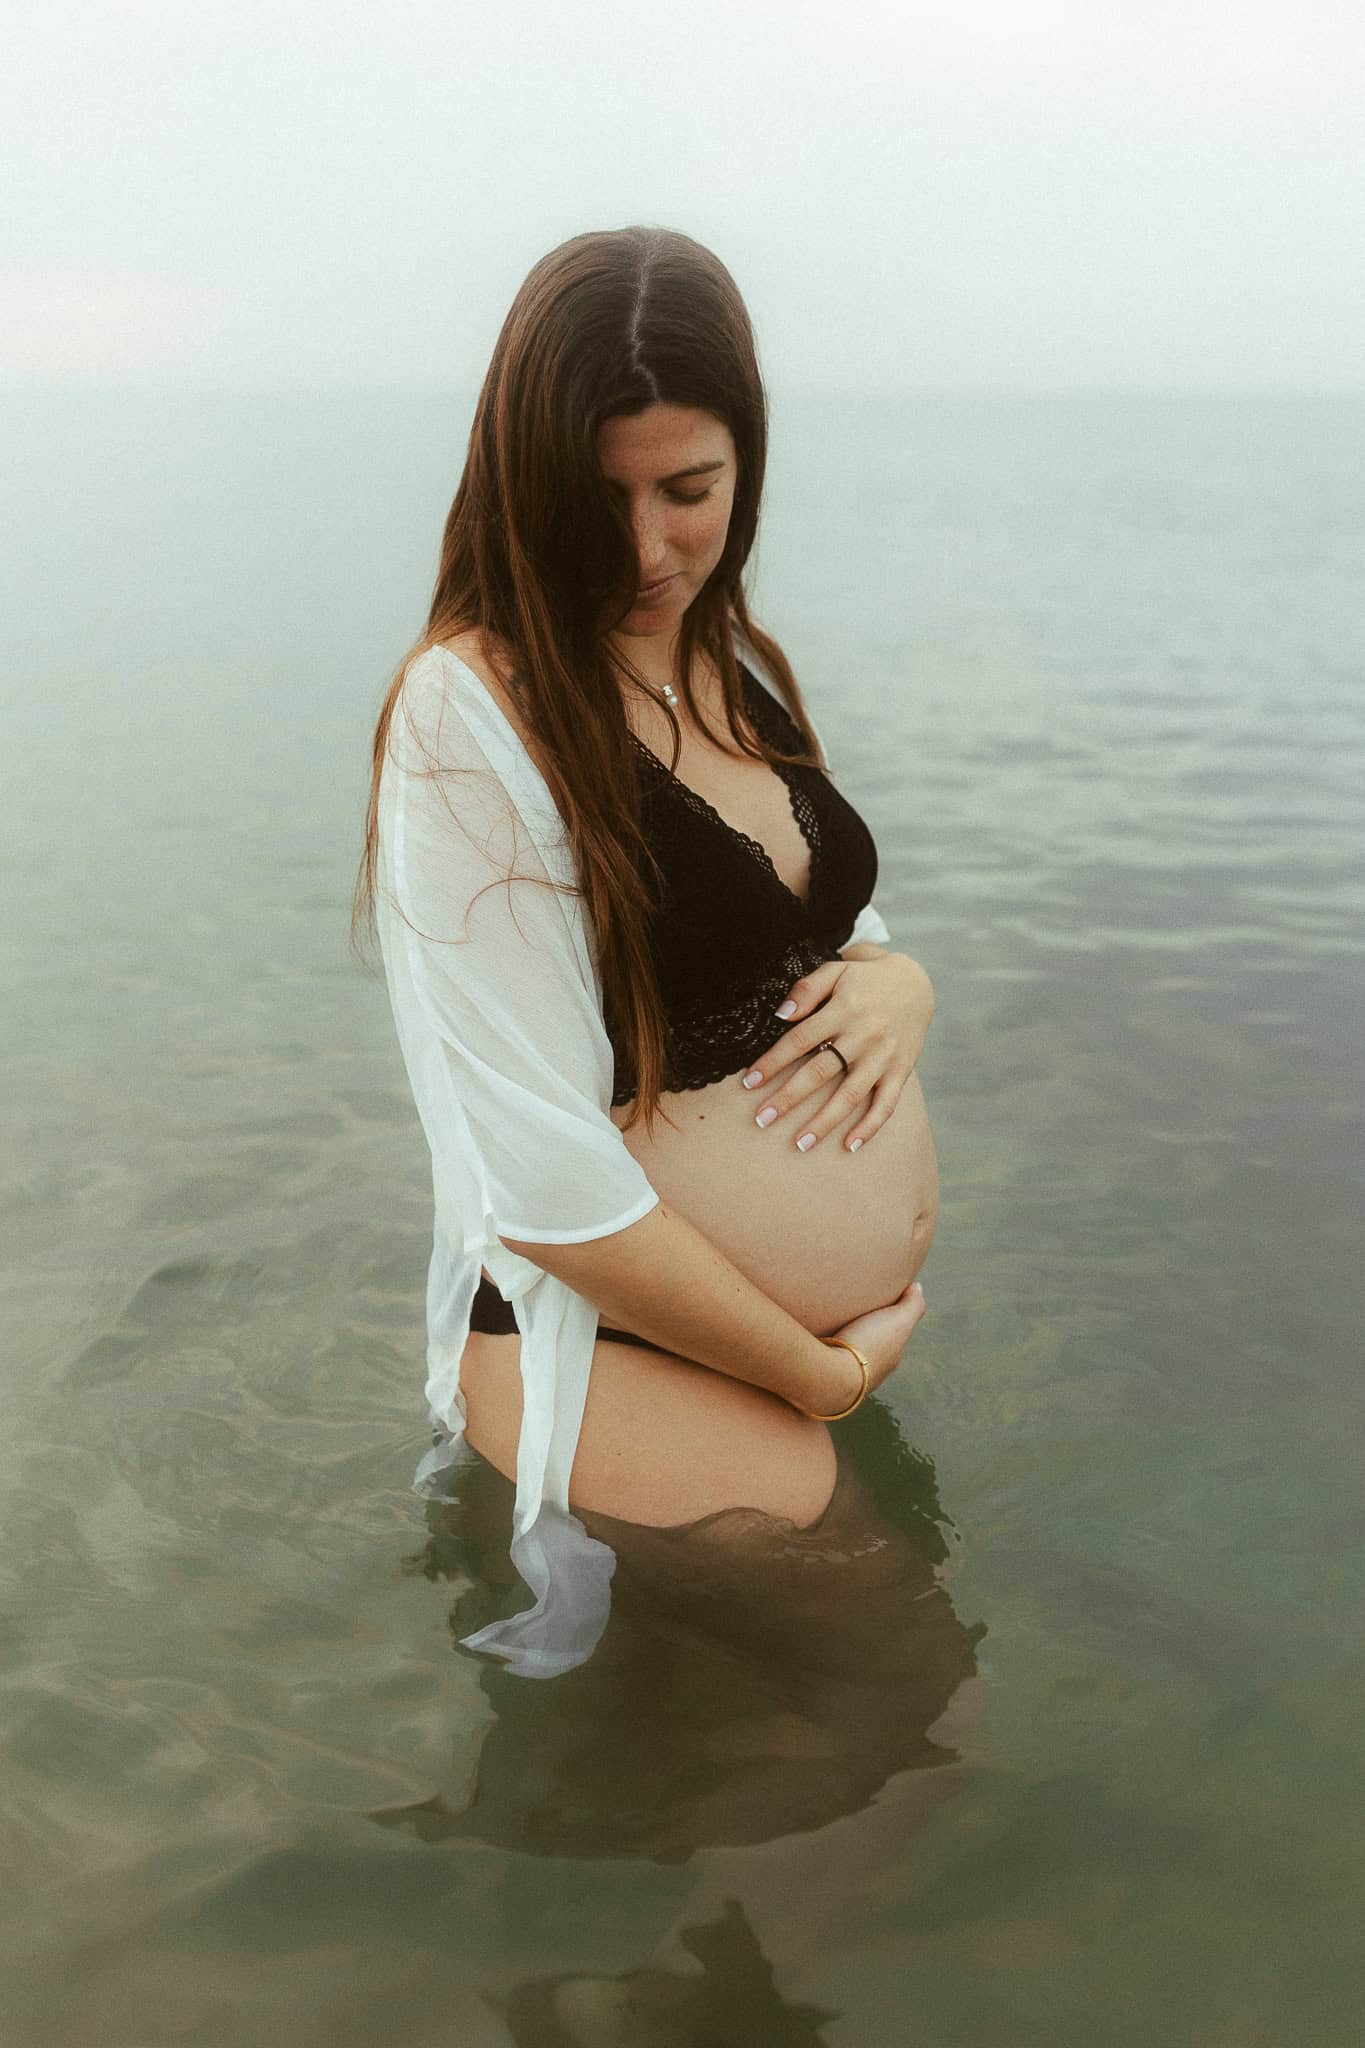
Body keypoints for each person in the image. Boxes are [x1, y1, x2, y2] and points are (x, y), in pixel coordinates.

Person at [353, 225, 939, 1678]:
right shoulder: (468, 715)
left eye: (690, 492)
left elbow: (814, 929)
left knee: (861, 1739)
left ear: (747, 461)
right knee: (893, 1700)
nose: (645, 549)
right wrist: (815, 1372)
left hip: (746, 1347)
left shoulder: (713, 654)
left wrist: (906, 978)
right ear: (518, 481)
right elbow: (540, 1187)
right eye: (593, 499)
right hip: (606, 1342)